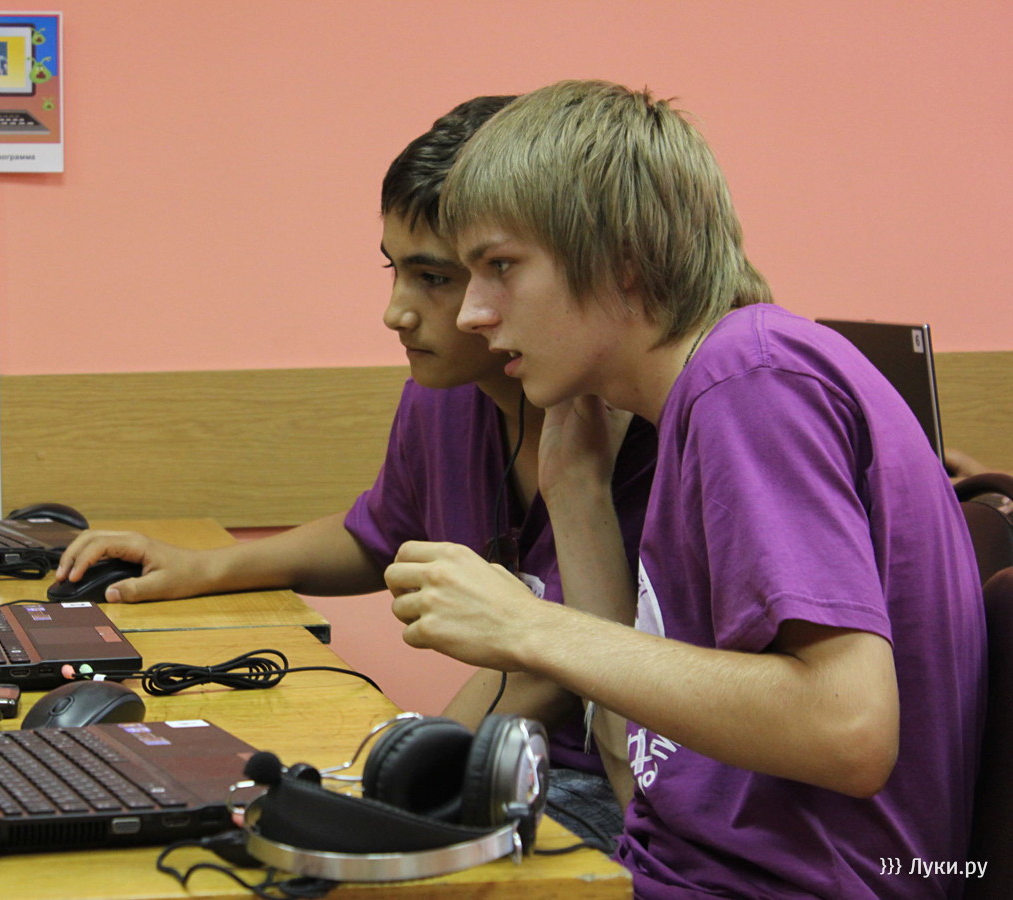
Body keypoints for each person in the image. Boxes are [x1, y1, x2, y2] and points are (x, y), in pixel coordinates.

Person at [386, 78, 986, 898]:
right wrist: (577, 495)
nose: (473, 315)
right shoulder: (692, 402)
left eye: (501, 267)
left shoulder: (749, 377)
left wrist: (528, 626)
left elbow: (848, 727)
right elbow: (642, 779)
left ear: (624, 264)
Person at [56, 95, 657, 850]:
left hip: (606, 779)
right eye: (394, 270)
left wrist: (391, 787)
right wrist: (204, 567)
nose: (396, 312)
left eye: (433, 277)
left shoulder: (640, 429)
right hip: (506, 755)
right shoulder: (444, 399)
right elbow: (377, 535)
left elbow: (558, 659)